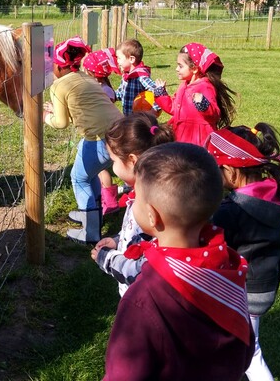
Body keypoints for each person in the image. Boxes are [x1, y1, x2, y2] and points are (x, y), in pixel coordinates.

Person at [103, 142, 254, 381]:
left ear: (153, 215)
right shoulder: (229, 269)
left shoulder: (143, 299)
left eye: (137, 198)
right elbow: (244, 352)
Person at [205, 123, 280, 381]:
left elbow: (210, 249)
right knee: (246, 345)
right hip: (264, 287)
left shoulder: (232, 212)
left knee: (249, 353)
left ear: (232, 172)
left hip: (243, 293)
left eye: (216, 168)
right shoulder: (273, 198)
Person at [44, 36, 123, 244]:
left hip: (99, 140)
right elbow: (84, 106)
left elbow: (61, 123)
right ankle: (92, 215)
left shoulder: (58, 85)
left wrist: (45, 117)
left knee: (79, 178)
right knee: (91, 174)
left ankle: (91, 233)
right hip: (120, 132)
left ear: (59, 67)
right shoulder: (86, 77)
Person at [90, 112, 175, 297]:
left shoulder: (151, 207)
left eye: (113, 160)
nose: (112, 167)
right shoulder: (148, 193)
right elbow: (138, 236)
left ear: (132, 161)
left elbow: (141, 270)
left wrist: (106, 258)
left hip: (142, 297)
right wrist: (118, 240)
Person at [153, 42, 236, 146]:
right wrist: (161, 94)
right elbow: (174, 108)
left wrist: (203, 104)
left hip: (199, 139)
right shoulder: (184, 85)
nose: (176, 69)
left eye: (180, 66)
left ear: (194, 69)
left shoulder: (205, 86)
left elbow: (214, 115)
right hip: (181, 135)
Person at [81, 48, 120, 214]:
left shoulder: (102, 91)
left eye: (85, 70)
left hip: (102, 135)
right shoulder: (105, 88)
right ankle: (106, 199)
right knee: (100, 170)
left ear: (92, 73)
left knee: (101, 170)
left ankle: (110, 202)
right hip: (105, 132)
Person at [114, 39, 162, 117]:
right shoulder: (126, 75)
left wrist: (155, 110)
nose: (117, 61)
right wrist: (110, 95)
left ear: (131, 59)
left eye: (119, 58)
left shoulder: (141, 76)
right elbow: (121, 93)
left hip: (140, 120)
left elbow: (157, 91)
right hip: (128, 118)